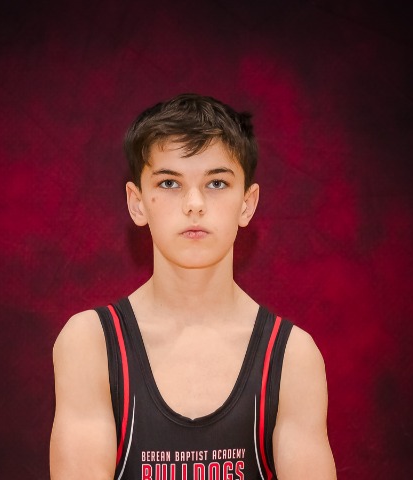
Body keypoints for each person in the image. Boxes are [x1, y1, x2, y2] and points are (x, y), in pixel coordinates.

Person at [50, 93, 336, 479]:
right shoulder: (91, 343)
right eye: (170, 182)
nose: (194, 203)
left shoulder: (292, 356)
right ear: (137, 203)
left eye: (217, 183)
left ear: (247, 203)